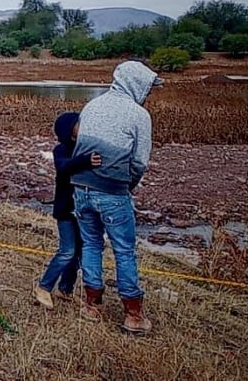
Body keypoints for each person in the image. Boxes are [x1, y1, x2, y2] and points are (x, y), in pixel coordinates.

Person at [71, 60, 163, 334]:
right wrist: (127, 187)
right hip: (112, 192)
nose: (149, 92)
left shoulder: (92, 105)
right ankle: (133, 316)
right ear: (137, 84)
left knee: (91, 245)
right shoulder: (138, 115)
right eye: (148, 87)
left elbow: (81, 149)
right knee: (123, 250)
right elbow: (139, 163)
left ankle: (91, 306)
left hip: (81, 189)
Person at [34, 112, 101, 309]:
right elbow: (64, 167)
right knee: (67, 251)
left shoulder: (86, 147)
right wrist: (86, 161)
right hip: (65, 210)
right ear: (69, 129)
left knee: (79, 252)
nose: (82, 125)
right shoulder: (61, 150)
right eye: (78, 123)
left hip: (84, 209)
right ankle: (44, 287)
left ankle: (66, 289)